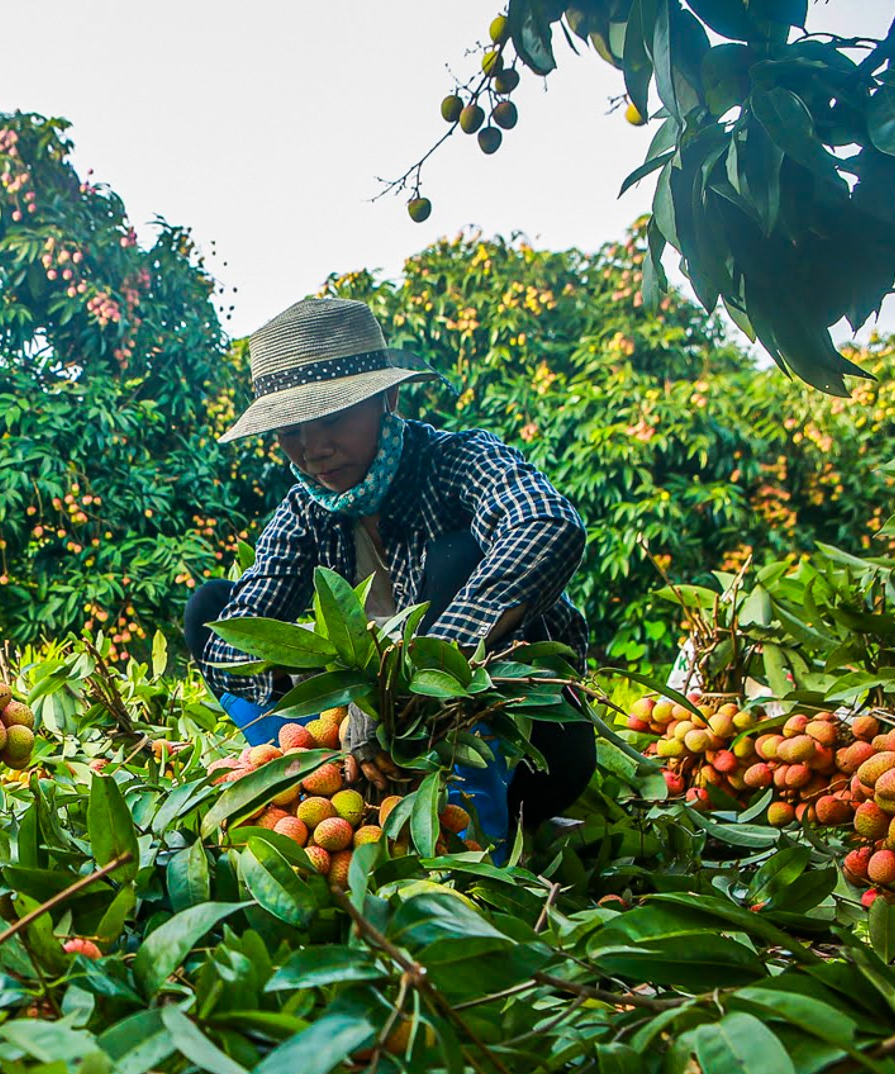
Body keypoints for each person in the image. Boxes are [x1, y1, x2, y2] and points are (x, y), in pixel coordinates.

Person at [183, 296, 596, 842]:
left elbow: (547, 525)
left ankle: (472, 823)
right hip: (359, 742)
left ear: (388, 398)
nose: (313, 451)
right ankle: (322, 776)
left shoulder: (458, 461)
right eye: (291, 432)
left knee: (456, 561)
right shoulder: (306, 509)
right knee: (212, 611)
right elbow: (241, 633)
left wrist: (401, 682)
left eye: (331, 420)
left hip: (520, 744)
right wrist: (347, 693)